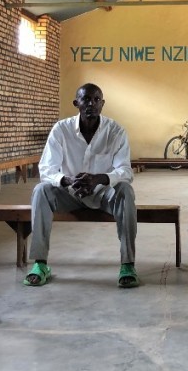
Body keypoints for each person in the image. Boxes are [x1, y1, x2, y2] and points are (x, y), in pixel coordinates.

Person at [26, 83, 138, 288]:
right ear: (76, 103)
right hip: (70, 192)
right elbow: (46, 168)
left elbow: (125, 171)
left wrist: (99, 179)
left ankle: (127, 264)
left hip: (103, 194)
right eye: (86, 99)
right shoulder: (61, 129)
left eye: (96, 100)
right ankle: (40, 264)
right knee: (40, 190)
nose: (91, 104)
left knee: (125, 191)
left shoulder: (115, 131)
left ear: (103, 104)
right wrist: (67, 180)